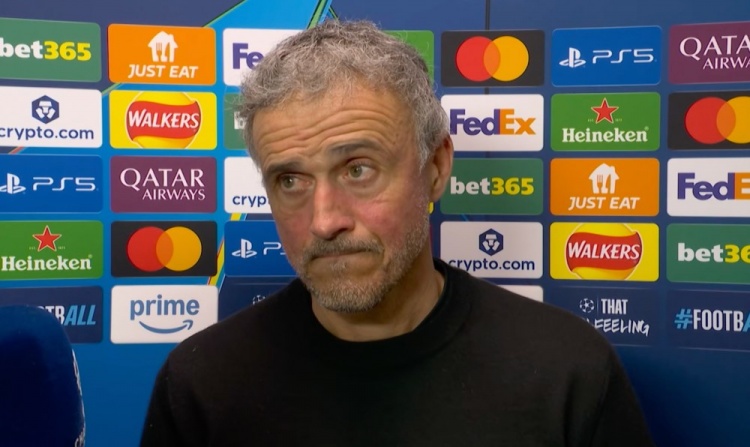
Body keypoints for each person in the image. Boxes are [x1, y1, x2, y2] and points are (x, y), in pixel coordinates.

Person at [140, 20, 654, 446]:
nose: (324, 221)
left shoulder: (567, 373)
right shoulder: (202, 385)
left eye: (358, 169)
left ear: (435, 167)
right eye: (290, 180)